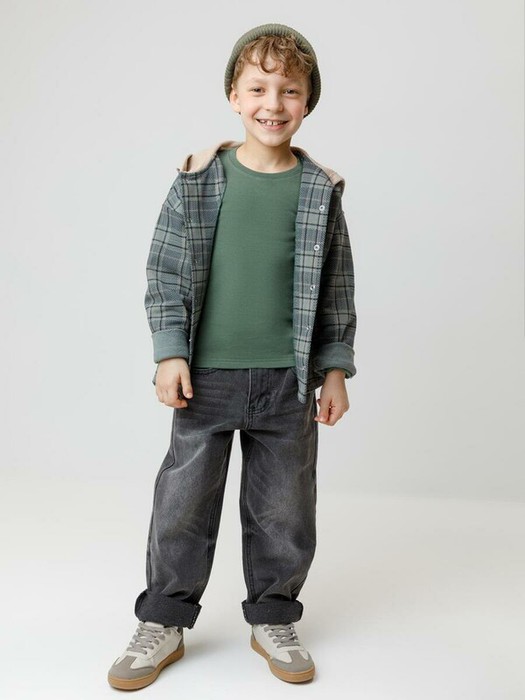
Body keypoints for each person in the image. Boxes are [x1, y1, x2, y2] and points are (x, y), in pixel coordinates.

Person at [107, 22, 357, 690]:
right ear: (234, 96)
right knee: (183, 505)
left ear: (307, 102)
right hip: (206, 378)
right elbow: (164, 273)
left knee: (284, 509)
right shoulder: (197, 181)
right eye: (258, 88)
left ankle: (273, 615)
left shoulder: (319, 190)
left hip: (288, 384)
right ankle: (163, 620)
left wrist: (333, 369)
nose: (273, 103)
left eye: (290, 90)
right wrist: (170, 353)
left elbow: (337, 289)